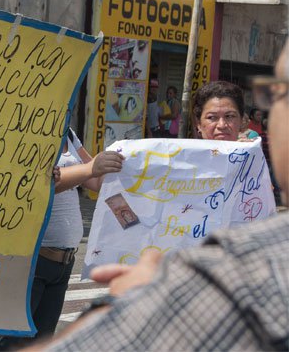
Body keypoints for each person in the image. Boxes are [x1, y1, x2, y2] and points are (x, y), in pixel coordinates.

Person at [44, 41, 289, 351]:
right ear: (198, 126)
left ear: (243, 121)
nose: (221, 125)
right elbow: (121, 194)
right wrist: (105, 170)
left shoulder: (253, 166)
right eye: (212, 118)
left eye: (230, 117)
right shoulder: (172, 160)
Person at [0, 129, 124, 351]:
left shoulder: (69, 133)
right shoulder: (27, 121)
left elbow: (95, 181)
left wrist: (126, 162)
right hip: (27, 260)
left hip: (61, 263)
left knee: (38, 345)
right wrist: (90, 168)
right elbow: (37, 184)